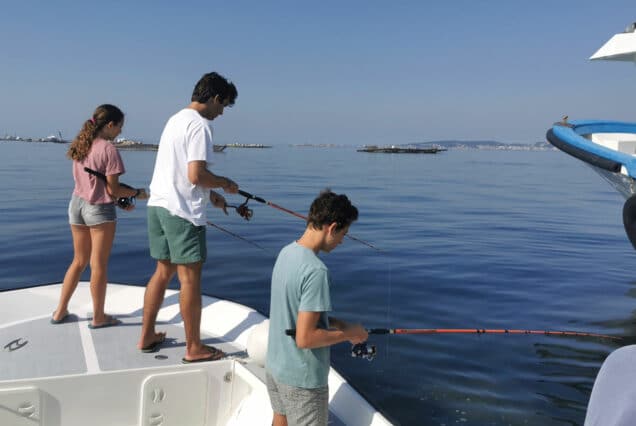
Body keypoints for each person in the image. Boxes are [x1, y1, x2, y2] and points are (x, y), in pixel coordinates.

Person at [136, 72, 239, 361]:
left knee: (162, 272)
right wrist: (224, 183)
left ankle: (146, 335)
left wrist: (212, 195)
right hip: (182, 213)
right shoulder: (201, 126)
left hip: (158, 206)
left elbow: (180, 172)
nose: (221, 113)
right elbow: (196, 174)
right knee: (190, 279)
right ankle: (194, 347)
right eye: (224, 106)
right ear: (216, 98)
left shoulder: (175, 119)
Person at [265, 189, 369, 426]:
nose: (342, 241)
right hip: (301, 378)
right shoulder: (316, 271)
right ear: (332, 227)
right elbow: (305, 337)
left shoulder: (286, 253)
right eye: (343, 234)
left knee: (280, 420)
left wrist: (340, 325)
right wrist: (351, 334)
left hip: (275, 366)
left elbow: (295, 314)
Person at [52, 104, 148, 328]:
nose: (120, 132)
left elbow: (92, 183)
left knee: (78, 261)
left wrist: (116, 199)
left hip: (76, 205)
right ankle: (98, 317)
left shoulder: (81, 145)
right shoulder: (109, 150)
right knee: (99, 265)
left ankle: (60, 311)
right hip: (99, 211)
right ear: (110, 125)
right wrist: (136, 193)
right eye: (120, 127)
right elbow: (113, 189)